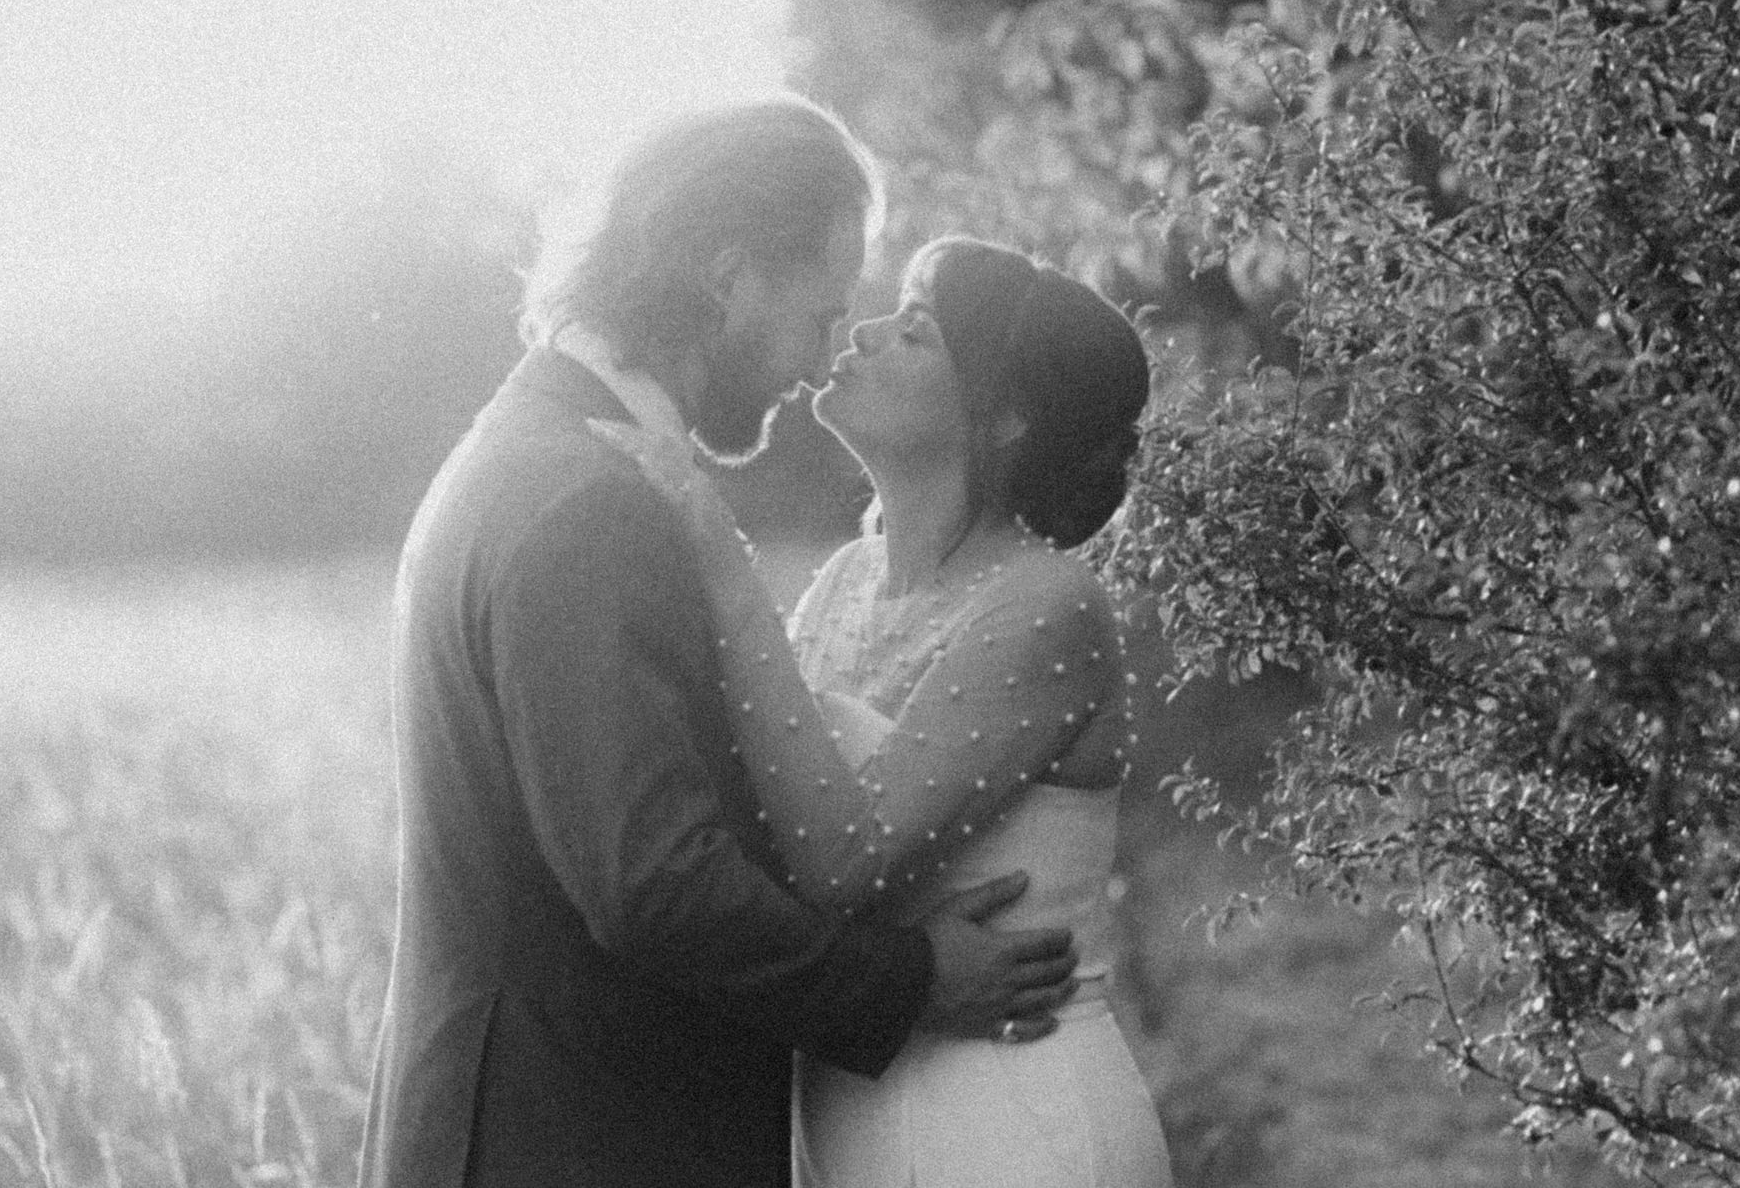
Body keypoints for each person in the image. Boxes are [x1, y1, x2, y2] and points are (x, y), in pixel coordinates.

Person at [358, 102, 1082, 1188]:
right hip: (572, 1144)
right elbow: (653, 882)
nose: (824, 357)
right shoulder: (591, 501)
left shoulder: (535, 451)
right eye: (821, 312)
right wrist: (909, 978)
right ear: (727, 274)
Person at [597, 235, 1173, 1186]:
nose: (864, 331)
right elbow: (757, 835)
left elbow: (841, 858)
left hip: (1013, 1118)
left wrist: (721, 559)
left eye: (915, 332)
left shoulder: (1049, 601)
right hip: (848, 1113)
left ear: (1005, 416)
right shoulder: (843, 580)